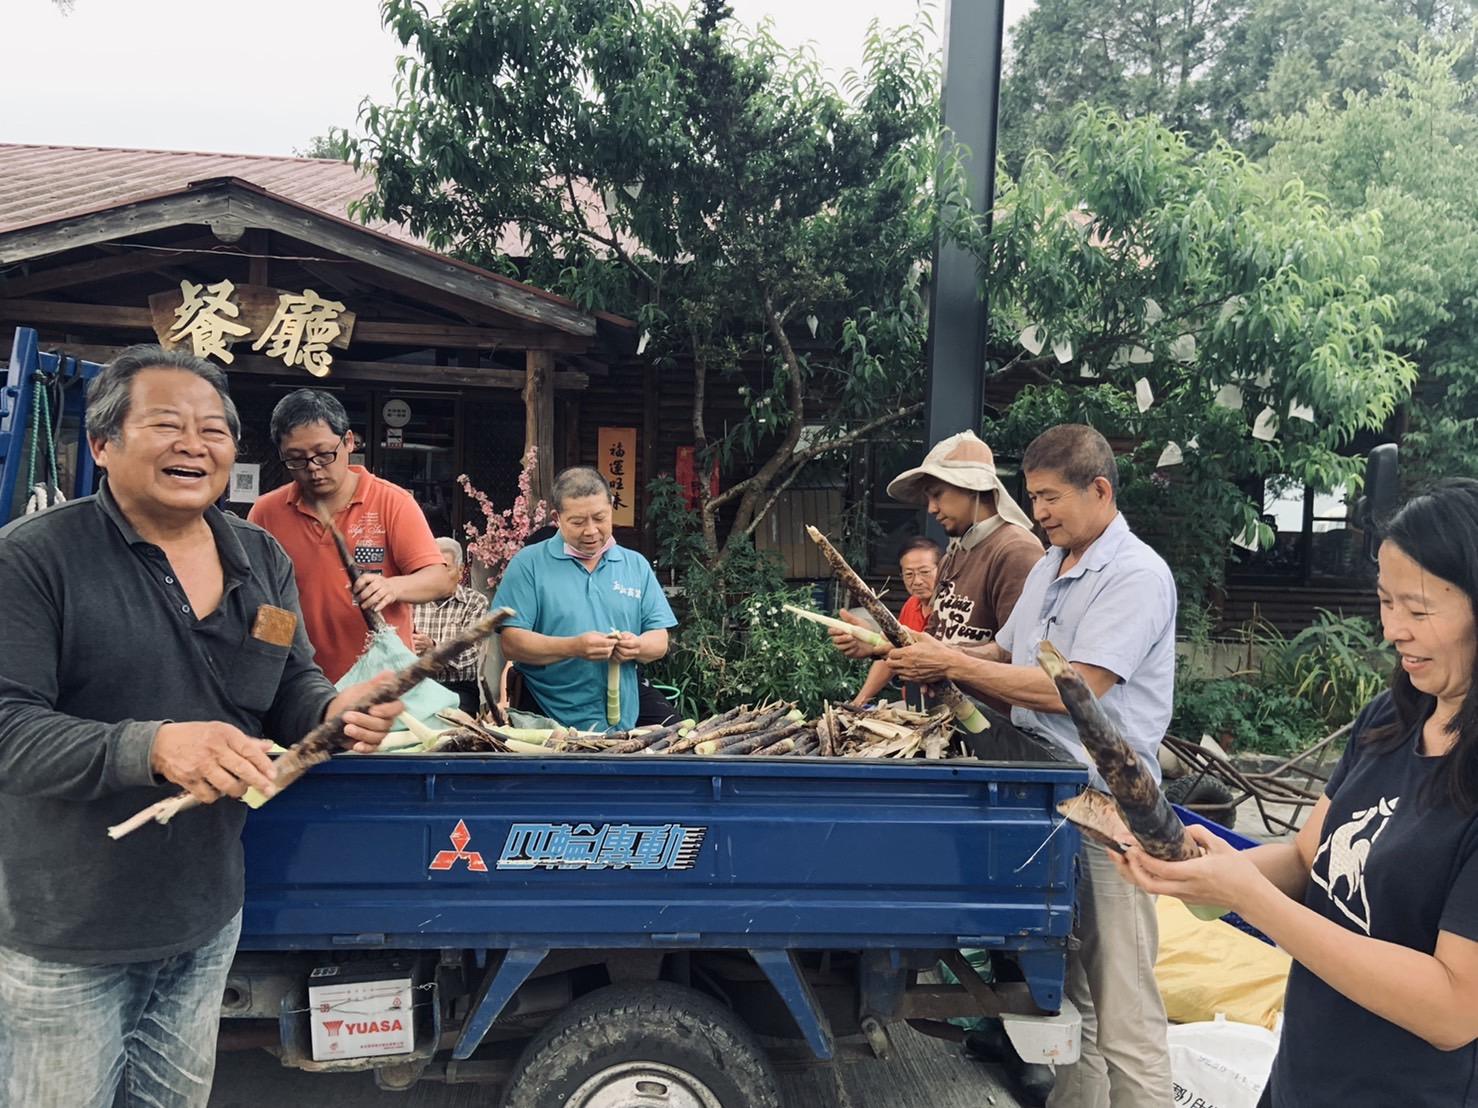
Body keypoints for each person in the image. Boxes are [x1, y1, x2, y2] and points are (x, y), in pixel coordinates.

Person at [0, 346, 401, 1108]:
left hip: (204, 916)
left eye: (214, 429)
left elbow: (286, 678)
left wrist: (331, 711)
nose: (196, 444)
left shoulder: (259, 559)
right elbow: (7, 726)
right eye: (167, 425)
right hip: (69, 935)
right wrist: (150, 746)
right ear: (102, 445)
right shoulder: (35, 560)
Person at [1117, 478, 1478, 1108]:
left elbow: (1453, 1009)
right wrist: (1199, 872)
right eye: (1385, 601)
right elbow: (1308, 857)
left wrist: (1249, 898)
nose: (1394, 629)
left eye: (1418, 610)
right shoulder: (1391, 720)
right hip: (1306, 1076)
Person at [889, 424, 1178, 1107]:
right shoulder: (1051, 565)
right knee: (1071, 997)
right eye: (1033, 496)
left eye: (1049, 497)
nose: (1039, 511)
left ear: (1099, 491)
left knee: (1126, 1004)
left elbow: (1070, 689)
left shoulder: (1135, 576)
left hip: (1110, 809)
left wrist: (949, 662)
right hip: (1051, 796)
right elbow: (1006, 654)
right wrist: (924, 652)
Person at [829, 430, 1044, 713]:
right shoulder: (955, 552)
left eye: (938, 495)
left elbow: (1018, 656)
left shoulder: (1015, 550)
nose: (931, 508)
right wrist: (876, 643)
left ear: (973, 487)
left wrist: (947, 662)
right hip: (942, 717)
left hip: (992, 728)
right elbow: (933, 640)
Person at [248, 389, 451, 682]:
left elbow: (438, 579)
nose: (313, 469)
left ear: (349, 442)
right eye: (296, 460)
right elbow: (259, 600)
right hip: (297, 686)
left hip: (379, 682)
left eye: (323, 454)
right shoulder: (267, 512)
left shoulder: (391, 502)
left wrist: (392, 587)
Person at [493, 466, 677, 730]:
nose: (591, 531)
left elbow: (659, 640)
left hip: (622, 713)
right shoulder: (529, 564)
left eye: (600, 518)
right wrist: (574, 647)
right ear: (557, 517)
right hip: (546, 715)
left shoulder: (634, 565)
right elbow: (512, 644)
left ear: (611, 507)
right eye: (578, 522)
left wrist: (636, 646)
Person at [846, 536, 942, 707]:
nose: (917, 581)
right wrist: (859, 702)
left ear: (942, 570)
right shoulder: (910, 605)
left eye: (925, 572)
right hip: (913, 703)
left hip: (948, 704)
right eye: (909, 574)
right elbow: (891, 656)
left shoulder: (954, 607)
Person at [414, 537, 491, 715]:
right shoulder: (413, 599)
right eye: (433, 568)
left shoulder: (475, 602)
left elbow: (470, 655)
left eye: (445, 568)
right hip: (417, 686)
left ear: (461, 570)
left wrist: (434, 648)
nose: (438, 575)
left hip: (458, 689)